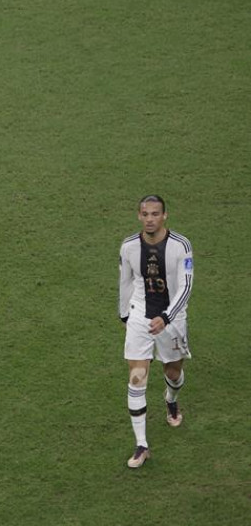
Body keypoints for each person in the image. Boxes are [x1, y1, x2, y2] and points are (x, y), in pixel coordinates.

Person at [118, 195, 194, 468]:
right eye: (145, 213)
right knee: (136, 377)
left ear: (165, 216)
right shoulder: (128, 247)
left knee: (173, 373)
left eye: (155, 214)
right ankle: (142, 444)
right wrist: (125, 314)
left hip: (171, 319)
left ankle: (171, 400)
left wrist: (166, 317)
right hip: (140, 316)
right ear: (139, 216)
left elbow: (186, 287)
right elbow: (125, 281)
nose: (150, 218)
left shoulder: (181, 245)